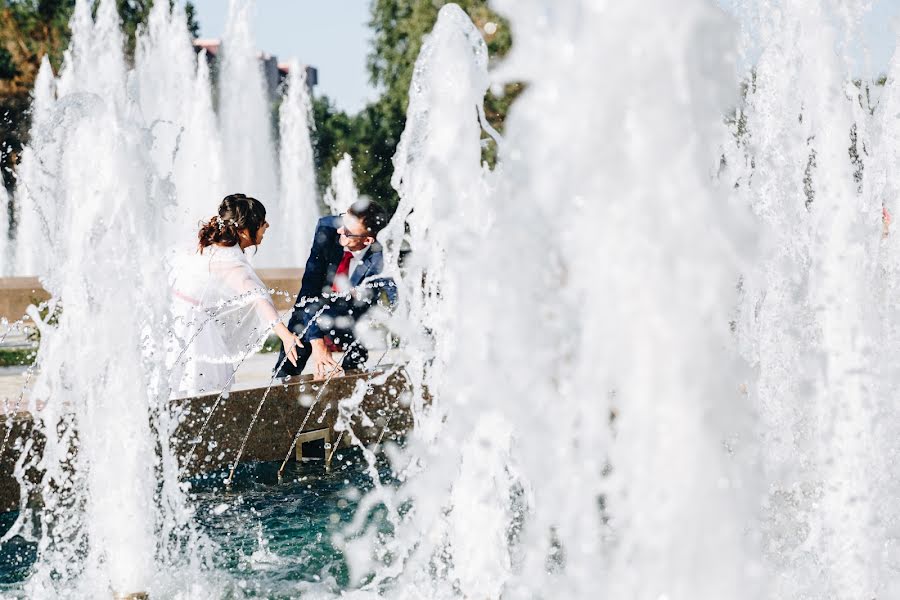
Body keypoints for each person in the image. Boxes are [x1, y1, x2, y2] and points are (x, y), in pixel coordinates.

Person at [167, 193, 302, 398]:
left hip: (174, 318)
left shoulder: (210, 245)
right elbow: (258, 297)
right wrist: (284, 334)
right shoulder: (229, 259)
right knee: (200, 388)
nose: (267, 226)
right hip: (189, 329)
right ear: (245, 230)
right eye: (261, 221)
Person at [275, 198, 393, 380]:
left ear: (368, 240)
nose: (340, 231)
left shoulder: (383, 256)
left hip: (353, 317)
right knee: (287, 365)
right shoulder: (328, 229)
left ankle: (351, 388)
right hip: (314, 307)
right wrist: (317, 341)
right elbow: (310, 290)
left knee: (354, 369)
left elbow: (394, 299)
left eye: (347, 231)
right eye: (342, 221)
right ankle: (280, 386)